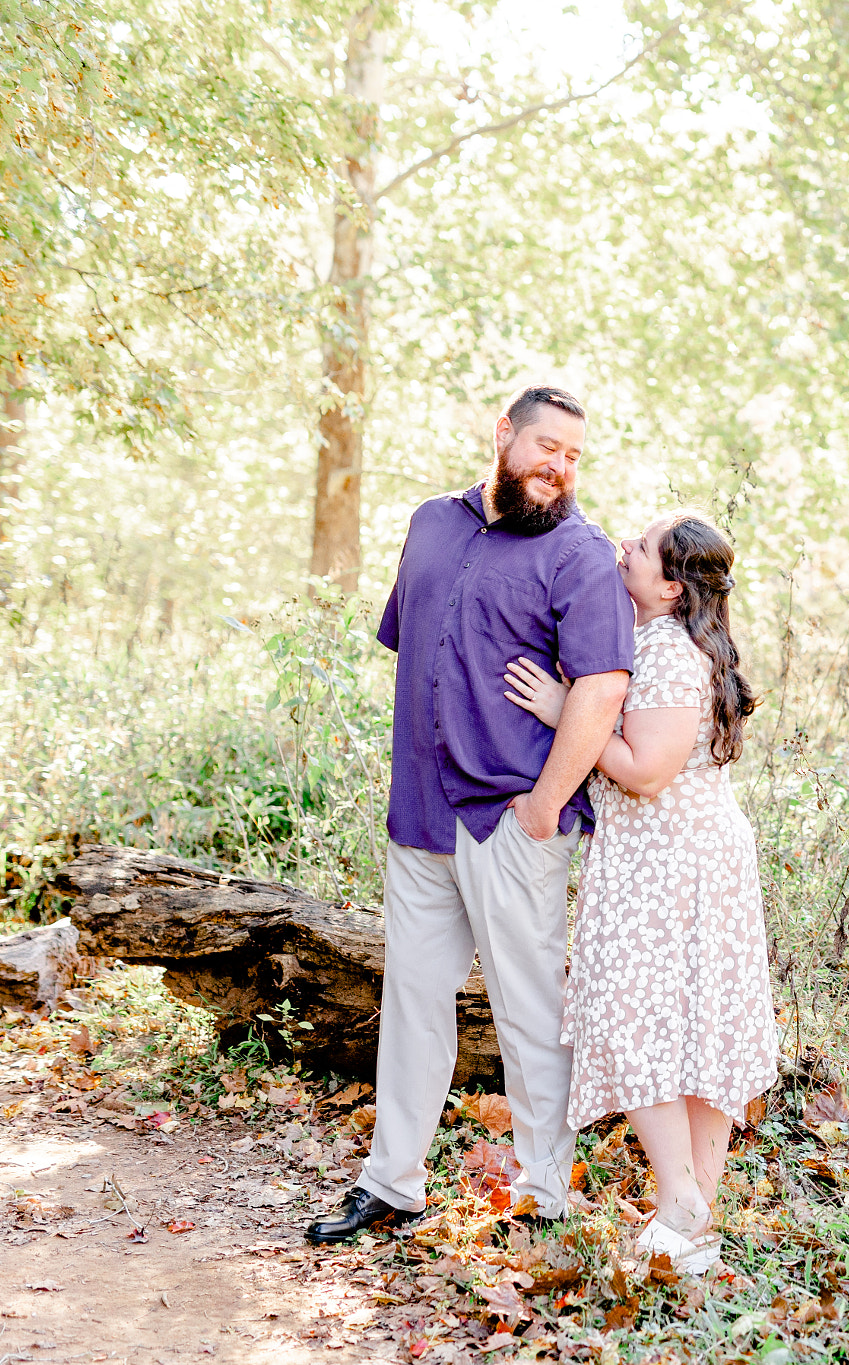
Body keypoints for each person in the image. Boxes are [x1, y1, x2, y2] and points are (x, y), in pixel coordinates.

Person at [306, 385, 634, 1244]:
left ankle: (545, 1194)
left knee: (528, 1010)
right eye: (546, 447)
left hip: (513, 820)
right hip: (418, 815)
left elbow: (602, 688)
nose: (559, 468)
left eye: (573, 455)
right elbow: (413, 647)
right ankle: (393, 1183)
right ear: (504, 436)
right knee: (413, 1000)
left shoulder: (583, 553)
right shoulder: (430, 524)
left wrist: (544, 804)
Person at [503, 510, 777, 1273]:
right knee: (696, 1027)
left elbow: (649, 772)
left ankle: (682, 1202)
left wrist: (569, 718)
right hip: (695, 859)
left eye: (641, 545)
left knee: (636, 1021)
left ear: (669, 584)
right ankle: (692, 1218)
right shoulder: (689, 643)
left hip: (667, 864)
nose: (623, 544)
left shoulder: (663, 650)